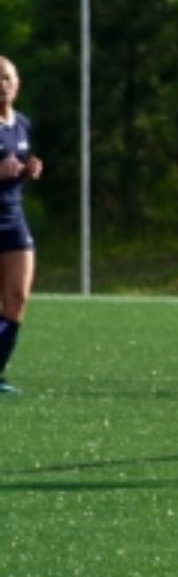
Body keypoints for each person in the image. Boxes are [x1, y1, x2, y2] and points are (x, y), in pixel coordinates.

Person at [0, 56, 43, 395]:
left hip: (13, 220)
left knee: (17, 297)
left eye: (8, 77)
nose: (4, 84)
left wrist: (30, 169)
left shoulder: (23, 124)